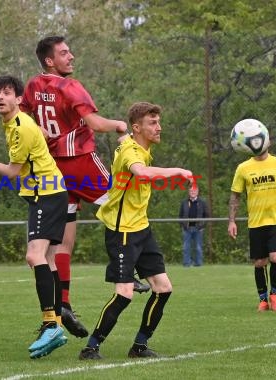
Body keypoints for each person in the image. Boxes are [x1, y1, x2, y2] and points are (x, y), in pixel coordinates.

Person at [21, 36, 150, 338]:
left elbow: (24, 117)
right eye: (64, 53)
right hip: (80, 163)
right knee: (122, 206)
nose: (71, 56)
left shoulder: (32, 86)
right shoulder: (70, 86)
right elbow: (94, 122)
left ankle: (62, 303)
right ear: (50, 60)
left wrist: (42, 134)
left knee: (61, 244)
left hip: (52, 170)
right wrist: (119, 124)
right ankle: (129, 268)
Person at [0, 75, 68, 359]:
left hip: (47, 195)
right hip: (50, 193)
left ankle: (50, 325)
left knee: (34, 256)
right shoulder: (16, 122)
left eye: (7, 93)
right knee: (48, 260)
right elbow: (39, 137)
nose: (0, 97)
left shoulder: (20, 127)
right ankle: (56, 321)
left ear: (19, 99)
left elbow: (12, 171)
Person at [79, 102, 194, 360]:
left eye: (158, 121)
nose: (158, 127)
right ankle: (91, 347)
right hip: (122, 232)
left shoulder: (138, 145)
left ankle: (139, 346)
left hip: (141, 228)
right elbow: (141, 173)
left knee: (163, 288)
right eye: (152, 123)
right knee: (125, 293)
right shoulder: (132, 151)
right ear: (137, 127)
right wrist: (177, 171)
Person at [227, 130, 276, 312]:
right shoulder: (243, 168)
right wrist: (232, 221)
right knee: (260, 263)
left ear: (268, 141)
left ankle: (274, 294)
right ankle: (262, 299)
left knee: (275, 257)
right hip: (256, 222)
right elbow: (235, 196)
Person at [179, 185, 209, 267]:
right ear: (189, 192)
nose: (193, 192)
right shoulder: (184, 202)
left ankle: (198, 264)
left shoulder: (202, 202)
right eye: (191, 191)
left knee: (198, 247)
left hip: (198, 229)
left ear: (197, 192)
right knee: (186, 248)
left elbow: (207, 216)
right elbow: (180, 215)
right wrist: (183, 226)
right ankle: (186, 264)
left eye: (194, 191)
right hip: (186, 229)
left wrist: (202, 226)